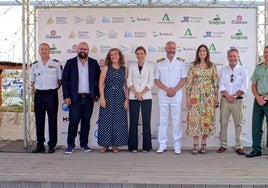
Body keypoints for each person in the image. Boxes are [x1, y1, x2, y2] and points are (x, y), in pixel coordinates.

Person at [62, 42, 100, 154]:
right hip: (75, 98)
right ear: (77, 50)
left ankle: (84, 144)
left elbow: (99, 80)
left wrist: (97, 94)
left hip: (89, 98)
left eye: (85, 49)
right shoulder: (70, 63)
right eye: (81, 49)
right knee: (73, 122)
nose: (83, 51)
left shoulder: (93, 63)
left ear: (88, 50)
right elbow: (64, 81)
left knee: (86, 122)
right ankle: (70, 145)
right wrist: (66, 96)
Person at [155, 41, 187, 154]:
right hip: (163, 95)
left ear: (176, 49)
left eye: (173, 48)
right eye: (169, 48)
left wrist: (174, 90)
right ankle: (162, 145)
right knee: (162, 121)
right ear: (165, 49)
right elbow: (156, 80)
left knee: (176, 120)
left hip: (176, 95)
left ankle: (177, 145)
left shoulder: (181, 63)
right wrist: (167, 89)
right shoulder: (159, 64)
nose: (171, 50)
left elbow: (184, 79)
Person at [185, 44, 219, 154]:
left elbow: (215, 83)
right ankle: (195, 143)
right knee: (194, 120)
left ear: (207, 52)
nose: (202, 52)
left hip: (208, 98)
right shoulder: (192, 66)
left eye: (204, 50)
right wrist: (187, 97)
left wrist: (216, 97)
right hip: (195, 97)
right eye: (200, 51)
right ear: (198, 53)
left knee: (207, 120)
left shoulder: (212, 66)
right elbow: (189, 83)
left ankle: (204, 143)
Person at [30, 43, 62, 153]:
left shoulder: (56, 64)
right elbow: (32, 82)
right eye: (42, 49)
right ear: (39, 51)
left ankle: (52, 145)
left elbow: (59, 81)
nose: (44, 51)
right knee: (39, 121)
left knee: (52, 121)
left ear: (49, 51)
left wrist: (52, 90)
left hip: (51, 95)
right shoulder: (34, 65)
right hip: (39, 95)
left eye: (46, 49)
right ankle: (40, 145)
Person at [217, 49, 248, 155]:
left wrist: (234, 96)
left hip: (238, 101)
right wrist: (228, 96)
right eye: (230, 56)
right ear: (227, 58)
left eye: (234, 56)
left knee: (238, 124)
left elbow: (244, 87)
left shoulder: (243, 70)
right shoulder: (223, 70)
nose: (232, 58)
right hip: (225, 100)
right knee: (223, 123)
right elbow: (221, 85)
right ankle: (223, 145)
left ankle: (239, 146)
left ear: (238, 57)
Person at [98, 48, 129, 153]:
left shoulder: (125, 69)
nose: (113, 56)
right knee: (106, 120)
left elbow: (126, 85)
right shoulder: (106, 68)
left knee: (118, 121)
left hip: (120, 96)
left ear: (119, 56)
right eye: (111, 55)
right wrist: (102, 97)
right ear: (109, 57)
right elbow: (101, 83)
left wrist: (126, 99)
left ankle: (115, 145)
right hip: (108, 95)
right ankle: (105, 145)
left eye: (115, 54)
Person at [127, 46, 154, 153]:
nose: (140, 55)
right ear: (136, 55)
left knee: (146, 122)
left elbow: (151, 81)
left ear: (145, 54)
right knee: (133, 122)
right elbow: (129, 81)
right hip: (133, 97)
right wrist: (136, 93)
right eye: (138, 53)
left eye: (141, 53)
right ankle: (133, 146)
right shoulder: (132, 65)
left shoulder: (150, 65)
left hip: (146, 97)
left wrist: (141, 93)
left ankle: (146, 147)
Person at [246, 45, 268, 158]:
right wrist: (258, 97)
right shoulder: (258, 68)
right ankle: (256, 150)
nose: (267, 54)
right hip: (258, 100)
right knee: (256, 125)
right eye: (265, 52)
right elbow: (253, 85)